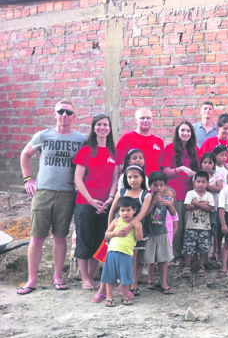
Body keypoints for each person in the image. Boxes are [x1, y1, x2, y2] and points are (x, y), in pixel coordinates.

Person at [18, 99, 87, 295]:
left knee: (60, 236)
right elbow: (25, 155)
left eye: (68, 112)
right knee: (37, 236)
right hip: (43, 192)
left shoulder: (80, 140)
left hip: (67, 193)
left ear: (74, 116)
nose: (64, 115)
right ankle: (31, 279)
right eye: (60, 111)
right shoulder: (43, 136)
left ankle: (57, 277)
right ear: (55, 114)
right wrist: (28, 179)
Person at [73, 113, 119, 290]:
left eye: (105, 125)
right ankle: (85, 278)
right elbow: (78, 179)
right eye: (99, 125)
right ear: (94, 128)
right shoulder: (86, 150)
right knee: (84, 240)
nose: (102, 128)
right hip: (85, 203)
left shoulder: (113, 153)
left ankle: (93, 276)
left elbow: (115, 179)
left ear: (109, 128)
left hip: (105, 204)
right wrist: (91, 200)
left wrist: (109, 199)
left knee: (100, 241)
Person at [100, 164, 151, 300]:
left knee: (132, 259)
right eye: (129, 177)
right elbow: (112, 211)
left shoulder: (146, 195)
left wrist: (130, 227)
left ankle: (126, 287)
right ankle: (104, 290)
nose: (133, 180)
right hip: (117, 233)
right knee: (110, 259)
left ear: (142, 178)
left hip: (135, 232)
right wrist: (109, 230)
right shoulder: (121, 192)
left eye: (136, 177)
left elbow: (143, 212)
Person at [161, 121, 201, 267]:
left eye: (188, 131)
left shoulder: (195, 150)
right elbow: (165, 172)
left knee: (188, 226)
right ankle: (176, 256)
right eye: (182, 130)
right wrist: (181, 168)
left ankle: (187, 255)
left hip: (191, 194)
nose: (185, 133)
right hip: (175, 194)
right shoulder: (170, 149)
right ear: (177, 132)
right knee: (176, 227)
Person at [137, 171, 177, 294]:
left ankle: (163, 282)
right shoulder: (146, 198)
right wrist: (153, 202)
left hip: (162, 233)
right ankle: (149, 280)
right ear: (150, 185)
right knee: (147, 259)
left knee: (163, 259)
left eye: (161, 185)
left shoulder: (165, 199)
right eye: (155, 185)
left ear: (164, 186)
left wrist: (169, 204)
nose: (158, 188)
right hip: (149, 234)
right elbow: (144, 214)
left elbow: (174, 214)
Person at [100, 197, 143, 307]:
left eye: (128, 210)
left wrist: (137, 228)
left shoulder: (136, 223)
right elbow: (107, 234)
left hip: (126, 254)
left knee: (125, 276)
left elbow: (139, 238)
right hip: (112, 252)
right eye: (122, 210)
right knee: (109, 276)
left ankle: (125, 296)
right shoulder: (116, 222)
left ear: (134, 210)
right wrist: (115, 232)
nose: (125, 213)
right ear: (119, 211)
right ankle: (109, 296)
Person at [183, 171, 214, 278]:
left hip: (205, 227)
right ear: (194, 182)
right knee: (189, 247)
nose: (200, 184)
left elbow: (209, 208)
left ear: (207, 183)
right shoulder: (190, 194)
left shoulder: (209, 195)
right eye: (198, 181)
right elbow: (187, 207)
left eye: (203, 182)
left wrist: (196, 203)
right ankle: (187, 266)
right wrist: (201, 205)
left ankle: (201, 265)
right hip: (191, 226)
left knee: (204, 247)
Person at [116, 107, 164, 174]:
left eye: (148, 118)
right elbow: (117, 161)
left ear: (152, 120)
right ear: (135, 120)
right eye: (142, 118)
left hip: (153, 182)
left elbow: (161, 166)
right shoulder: (127, 138)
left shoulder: (159, 141)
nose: (145, 120)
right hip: (134, 182)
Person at [200, 152, 225, 262]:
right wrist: (211, 187)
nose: (207, 165)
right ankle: (206, 253)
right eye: (204, 162)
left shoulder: (216, 175)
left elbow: (220, 188)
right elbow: (197, 189)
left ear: (214, 164)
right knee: (205, 231)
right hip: (201, 208)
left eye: (210, 163)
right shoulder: (198, 176)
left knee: (216, 230)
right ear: (201, 163)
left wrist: (206, 186)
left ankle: (218, 251)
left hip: (214, 207)